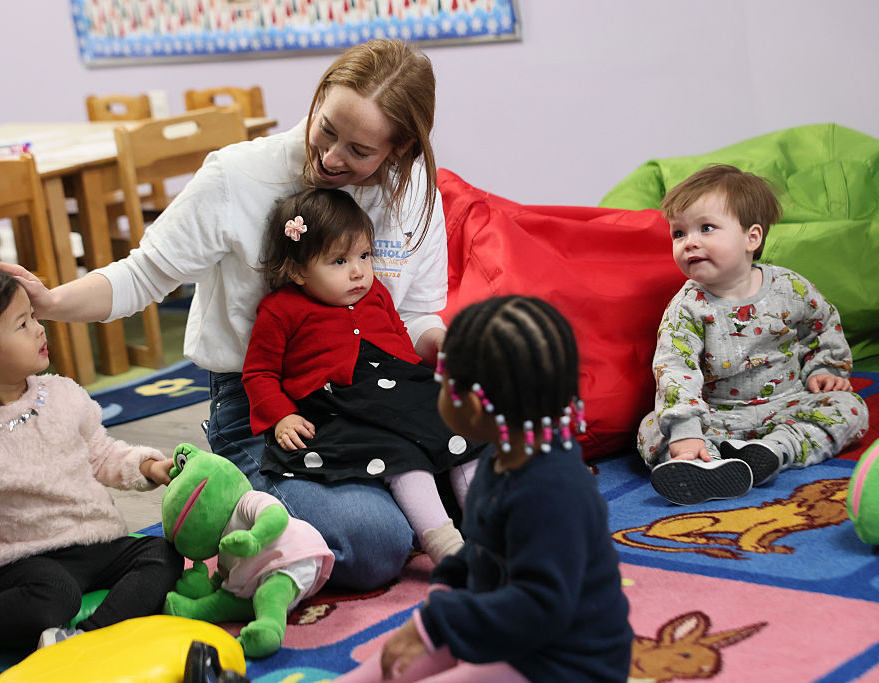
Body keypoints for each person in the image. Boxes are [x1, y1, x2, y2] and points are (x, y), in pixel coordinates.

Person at [0, 38, 445, 590]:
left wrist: (445, 344)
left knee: (496, 480)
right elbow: (144, 273)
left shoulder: (412, 192)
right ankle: (225, 501)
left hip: (376, 396)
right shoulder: (236, 177)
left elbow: (415, 314)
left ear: (399, 152)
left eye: (360, 151)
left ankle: (351, 501)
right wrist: (52, 302)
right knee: (376, 543)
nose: (329, 158)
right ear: (319, 96)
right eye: (326, 129)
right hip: (267, 407)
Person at [0, 270, 182, 683]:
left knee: (162, 555)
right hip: (24, 561)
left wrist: (147, 466)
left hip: (96, 540)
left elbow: (100, 454)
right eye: (22, 324)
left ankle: (82, 640)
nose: (40, 329)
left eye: (34, 318)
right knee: (54, 598)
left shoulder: (62, 394)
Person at [335, 296, 633, 682]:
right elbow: (482, 550)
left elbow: (540, 606)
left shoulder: (553, 492)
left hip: (565, 665)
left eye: (440, 384)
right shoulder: (501, 461)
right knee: (389, 664)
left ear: (473, 406)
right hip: (508, 637)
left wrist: (439, 623)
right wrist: (446, 591)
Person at [244, 188, 486, 564]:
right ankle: (445, 545)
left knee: (465, 429)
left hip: (402, 392)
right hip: (342, 407)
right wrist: (281, 415)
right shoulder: (281, 311)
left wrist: (430, 376)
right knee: (402, 458)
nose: (358, 271)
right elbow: (260, 371)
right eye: (339, 261)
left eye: (364, 255)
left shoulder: (377, 295)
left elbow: (401, 342)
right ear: (297, 271)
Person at [638, 164, 869, 506]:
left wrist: (826, 369)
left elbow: (821, 325)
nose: (690, 243)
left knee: (850, 409)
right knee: (652, 430)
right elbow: (675, 370)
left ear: (752, 237)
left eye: (706, 228)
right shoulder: (687, 308)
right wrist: (686, 433)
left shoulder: (789, 287)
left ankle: (774, 450)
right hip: (718, 415)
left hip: (788, 403)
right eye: (679, 234)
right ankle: (707, 462)